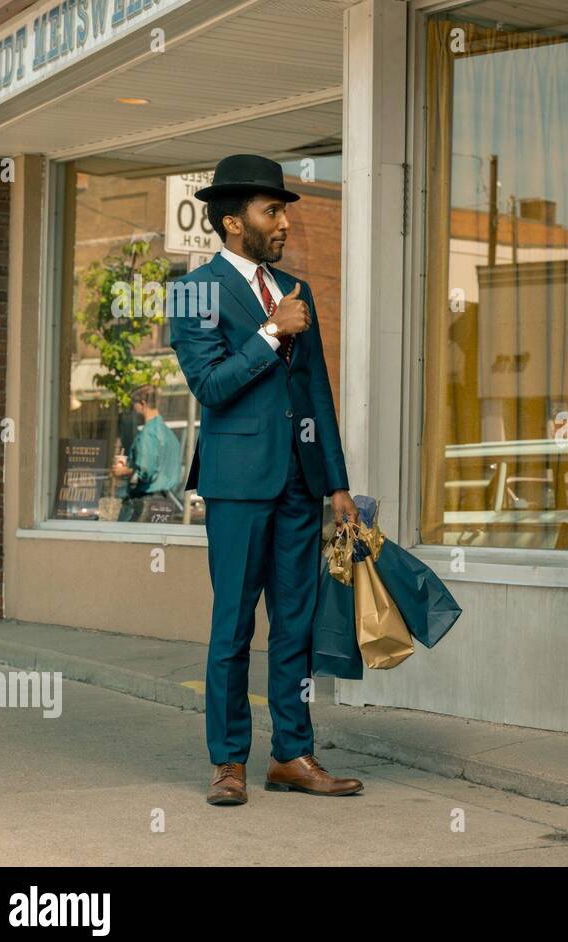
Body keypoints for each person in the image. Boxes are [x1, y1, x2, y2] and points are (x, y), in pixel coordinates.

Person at [169, 154, 362, 806]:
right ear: (233, 220)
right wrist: (269, 332)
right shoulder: (196, 290)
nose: (282, 222)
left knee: (297, 627)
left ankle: (293, 754)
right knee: (233, 629)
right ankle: (228, 762)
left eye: (283, 211)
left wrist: (337, 484)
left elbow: (317, 398)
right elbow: (210, 386)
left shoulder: (297, 288)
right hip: (237, 483)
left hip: (301, 487)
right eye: (270, 211)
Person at [111, 385, 181, 522]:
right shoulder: (169, 435)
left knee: (131, 542)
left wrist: (123, 471)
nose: (133, 409)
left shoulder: (148, 434)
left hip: (143, 503)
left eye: (133, 405)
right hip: (165, 502)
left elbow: (145, 471)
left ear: (143, 404)